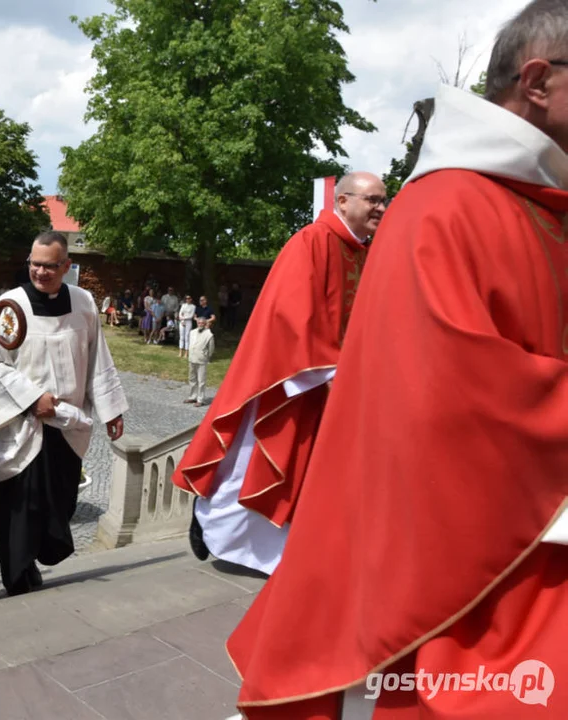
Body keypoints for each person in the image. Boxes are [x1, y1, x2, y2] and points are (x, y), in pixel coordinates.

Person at [225, 9, 568, 717]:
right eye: (366, 198)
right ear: (536, 81)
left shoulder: (535, 207)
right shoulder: (444, 209)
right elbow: (451, 405)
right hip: (477, 566)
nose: (376, 206)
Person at [173, 170, 384, 575]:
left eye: (382, 200)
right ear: (342, 201)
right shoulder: (312, 242)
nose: (380, 208)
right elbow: (291, 313)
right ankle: (213, 525)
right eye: (371, 200)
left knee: (309, 468)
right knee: (257, 459)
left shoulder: (362, 252)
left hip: (335, 382)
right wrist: (330, 367)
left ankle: (283, 551)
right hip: (290, 380)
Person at [0, 231, 128, 596]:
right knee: (18, 506)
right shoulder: (10, 307)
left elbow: (97, 360)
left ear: (66, 266)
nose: (40, 272)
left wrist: (111, 410)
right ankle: (17, 576)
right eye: (34, 264)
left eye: (49, 266)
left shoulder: (83, 302)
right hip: (21, 426)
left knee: (57, 503)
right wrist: (32, 399)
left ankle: (32, 563)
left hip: (66, 425)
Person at [184, 317, 214, 407]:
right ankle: (192, 396)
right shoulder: (192, 332)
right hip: (192, 358)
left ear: (205, 324)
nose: (200, 324)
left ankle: (200, 399)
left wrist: (206, 357)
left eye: (202, 323)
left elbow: (211, 349)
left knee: (201, 380)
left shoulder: (209, 335)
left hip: (202, 359)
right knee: (192, 378)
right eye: (199, 323)